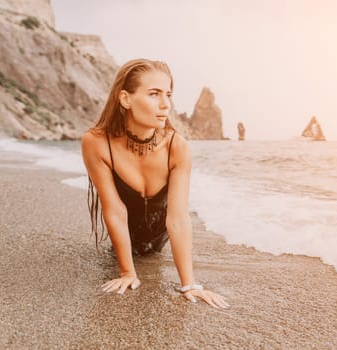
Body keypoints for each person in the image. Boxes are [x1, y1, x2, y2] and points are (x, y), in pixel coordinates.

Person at [81, 59, 229, 309]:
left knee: (152, 250)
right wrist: (128, 272)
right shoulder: (96, 143)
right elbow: (114, 209)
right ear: (126, 99)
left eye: (168, 94)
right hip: (124, 236)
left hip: (159, 239)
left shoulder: (177, 147)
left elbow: (178, 218)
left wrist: (189, 284)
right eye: (154, 94)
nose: (165, 104)